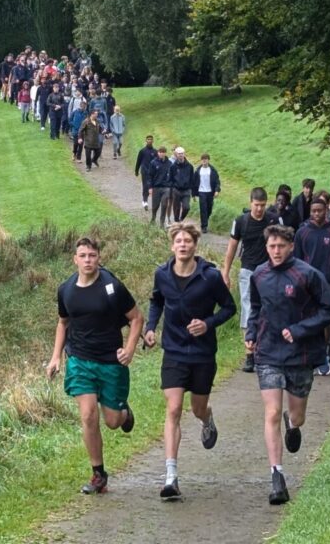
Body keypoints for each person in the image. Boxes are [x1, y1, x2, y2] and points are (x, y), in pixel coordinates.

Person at [246, 225, 330, 505]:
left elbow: (329, 310)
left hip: (301, 354)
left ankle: (292, 423)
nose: (276, 251)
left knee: (296, 416)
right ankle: (277, 477)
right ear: (267, 248)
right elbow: (255, 309)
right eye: (271, 247)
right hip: (268, 353)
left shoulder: (308, 275)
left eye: (280, 246)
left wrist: (300, 329)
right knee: (271, 412)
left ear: (291, 247)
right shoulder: (259, 274)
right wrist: (251, 334)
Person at [144, 222, 236, 498]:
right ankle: (171, 477)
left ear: (196, 245)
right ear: (172, 246)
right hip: (173, 351)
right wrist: (150, 328)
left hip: (202, 353)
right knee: (173, 409)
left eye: (188, 241)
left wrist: (207, 324)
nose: (183, 245)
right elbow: (156, 301)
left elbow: (229, 308)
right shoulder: (162, 274)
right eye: (179, 241)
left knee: (196, 408)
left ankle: (206, 418)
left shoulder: (209, 276)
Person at [46, 237, 143, 495]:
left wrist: (130, 349)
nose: (88, 260)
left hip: (110, 362)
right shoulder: (66, 289)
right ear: (75, 259)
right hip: (79, 359)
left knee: (111, 421)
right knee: (88, 415)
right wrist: (56, 357)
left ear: (99, 257)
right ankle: (98, 473)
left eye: (92, 255)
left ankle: (124, 414)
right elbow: (63, 323)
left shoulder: (112, 287)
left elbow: (136, 318)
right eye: (83, 255)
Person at [221, 187, 274, 372]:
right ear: (250, 202)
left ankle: (265, 351)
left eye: (263, 205)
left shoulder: (273, 221)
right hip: (248, 270)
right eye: (257, 205)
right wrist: (225, 272)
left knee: (268, 309)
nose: (259, 209)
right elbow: (232, 248)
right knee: (248, 308)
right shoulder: (241, 221)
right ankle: (249, 353)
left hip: (270, 271)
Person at [293, 197, 330, 374]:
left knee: (327, 320)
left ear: (326, 211)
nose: (317, 214)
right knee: (309, 321)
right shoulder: (302, 232)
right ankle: (314, 356)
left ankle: (327, 349)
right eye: (314, 211)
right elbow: (297, 261)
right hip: (307, 284)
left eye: (320, 210)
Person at [192, 153, 221, 234]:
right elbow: (194, 183)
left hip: (210, 192)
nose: (204, 161)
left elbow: (217, 182)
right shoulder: (198, 171)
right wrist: (193, 194)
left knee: (209, 209)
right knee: (203, 209)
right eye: (203, 159)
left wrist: (217, 190)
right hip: (201, 192)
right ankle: (204, 226)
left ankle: (205, 220)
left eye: (206, 159)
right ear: (201, 161)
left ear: (208, 160)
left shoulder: (213, 170)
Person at [149, 146, 173, 227]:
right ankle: (153, 217)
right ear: (158, 153)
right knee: (155, 205)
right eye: (160, 152)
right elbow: (150, 176)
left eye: (163, 152)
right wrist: (150, 187)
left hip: (166, 187)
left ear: (165, 153)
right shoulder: (153, 163)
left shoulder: (169, 163)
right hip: (156, 187)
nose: (162, 154)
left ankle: (162, 222)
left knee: (164, 204)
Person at [169, 147, 194, 223]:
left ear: (184, 154)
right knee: (176, 208)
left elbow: (192, 179)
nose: (181, 155)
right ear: (176, 155)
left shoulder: (190, 166)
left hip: (186, 190)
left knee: (186, 207)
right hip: (176, 190)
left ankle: (181, 219)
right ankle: (176, 221)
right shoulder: (173, 166)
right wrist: (172, 189)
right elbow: (170, 179)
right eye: (179, 154)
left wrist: (192, 190)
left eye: (182, 153)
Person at [135, 136, 158, 211]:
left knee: (153, 187)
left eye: (151, 139)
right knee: (145, 186)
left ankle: (155, 202)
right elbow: (138, 161)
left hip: (153, 172)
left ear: (153, 141)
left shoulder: (155, 152)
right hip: (144, 171)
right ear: (146, 141)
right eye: (148, 139)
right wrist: (136, 170)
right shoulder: (142, 151)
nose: (149, 141)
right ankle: (145, 201)